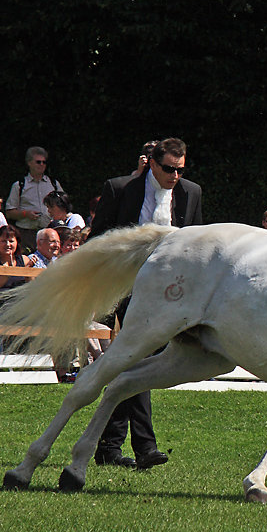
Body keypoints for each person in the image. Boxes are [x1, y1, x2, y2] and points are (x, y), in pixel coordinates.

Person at [89, 137, 203, 470]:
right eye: (169, 169)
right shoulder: (121, 188)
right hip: (127, 284)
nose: (175, 176)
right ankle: (144, 446)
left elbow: (196, 243)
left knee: (134, 360)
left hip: (170, 288)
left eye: (180, 170)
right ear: (152, 163)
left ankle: (109, 447)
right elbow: (99, 237)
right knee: (139, 356)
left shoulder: (190, 193)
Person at [6, 146, 64, 251]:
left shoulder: (53, 184)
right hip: (26, 233)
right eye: (38, 162)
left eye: (44, 162)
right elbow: (9, 212)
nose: (42, 164)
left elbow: (64, 206)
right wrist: (26, 214)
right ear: (29, 163)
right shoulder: (19, 185)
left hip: (49, 233)